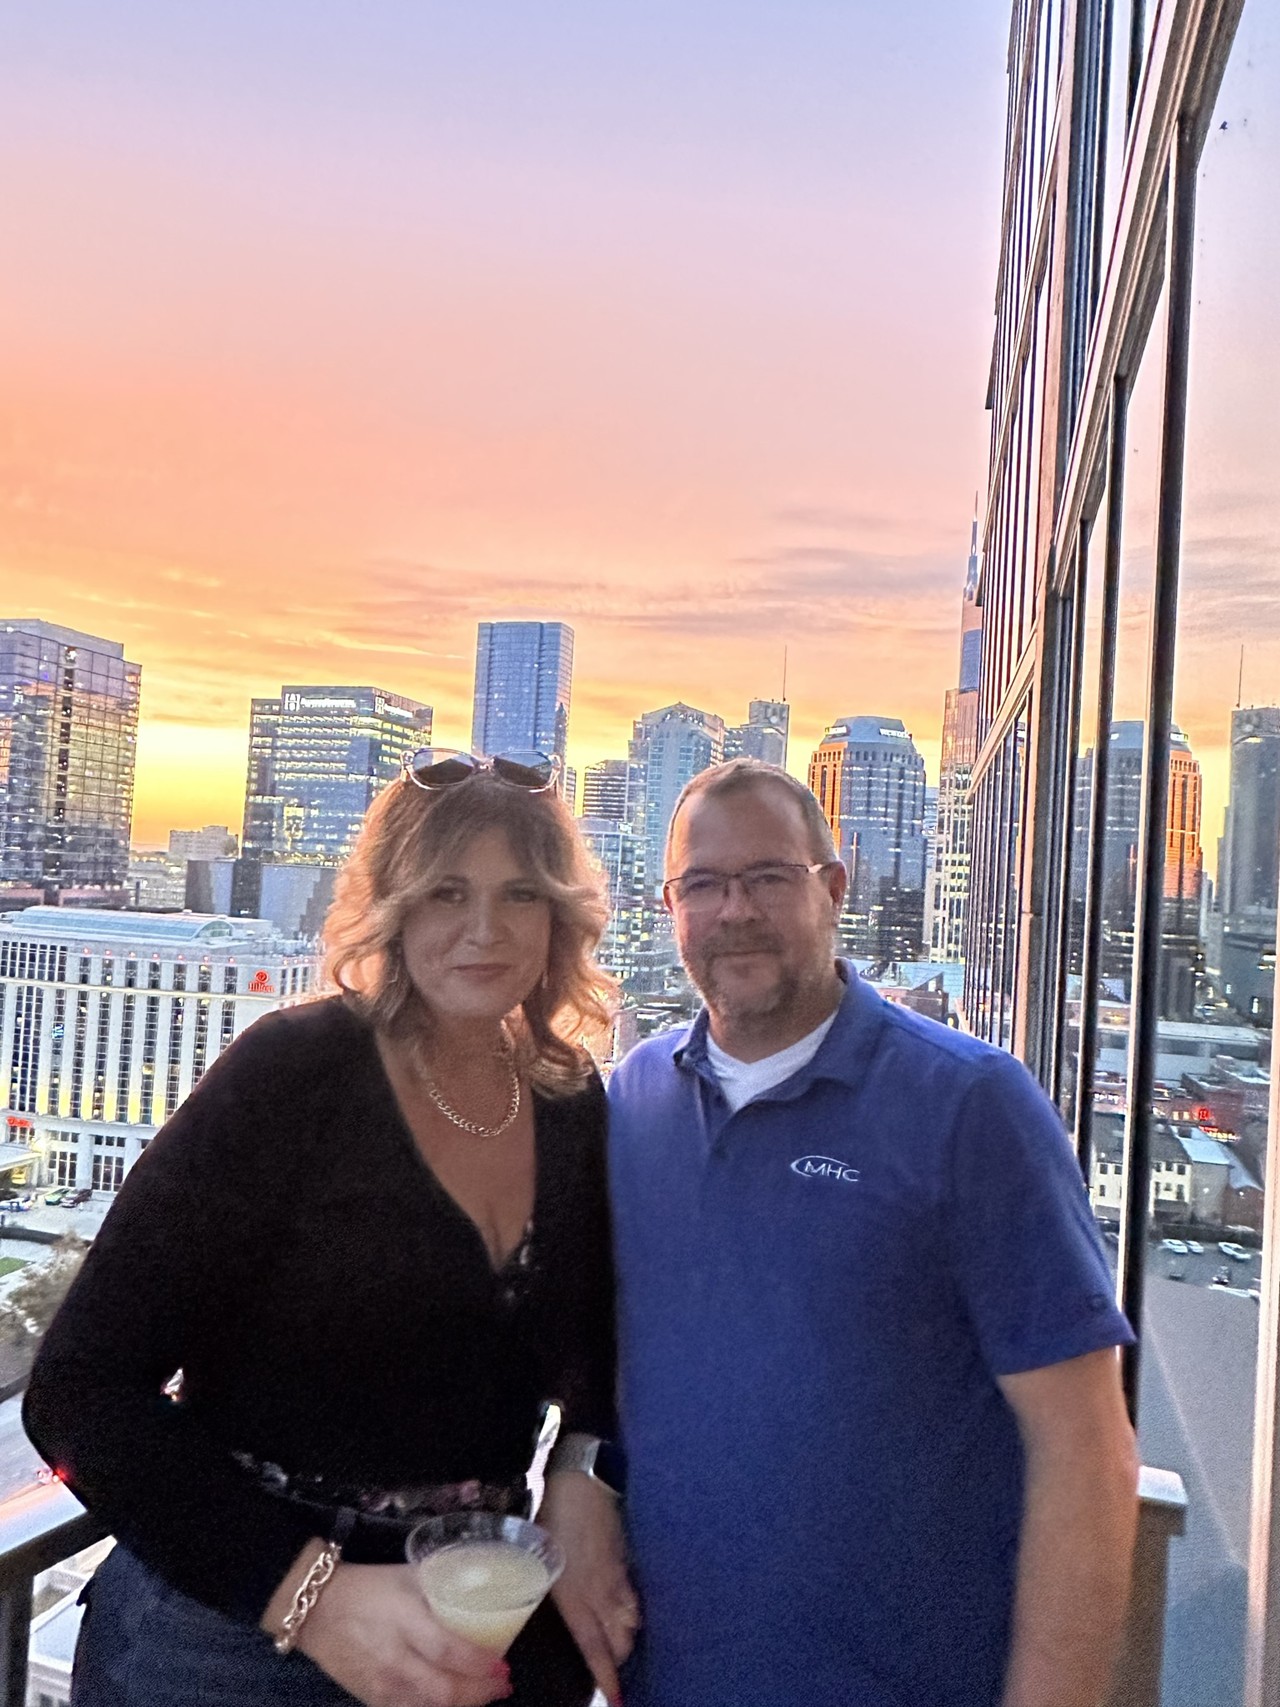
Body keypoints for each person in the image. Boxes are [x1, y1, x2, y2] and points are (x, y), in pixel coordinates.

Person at [24, 750, 635, 1707]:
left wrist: (585, 1469)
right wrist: (308, 1595)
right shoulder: (294, 1073)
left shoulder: (565, 1098)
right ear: (393, 906)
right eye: (446, 892)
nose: (484, 929)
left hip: (476, 1620)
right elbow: (78, 1390)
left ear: (559, 915)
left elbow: (600, 1340)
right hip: (229, 1642)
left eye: (520, 893)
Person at [604, 758, 1139, 1707]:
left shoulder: (971, 1105)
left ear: (834, 886)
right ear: (669, 904)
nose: (736, 911)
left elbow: (1085, 1446)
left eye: (770, 876)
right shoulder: (634, 1097)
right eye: (705, 884)